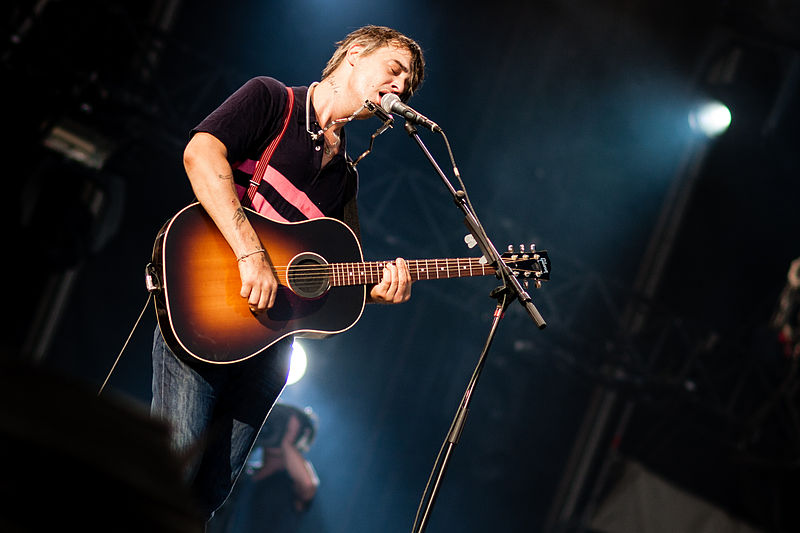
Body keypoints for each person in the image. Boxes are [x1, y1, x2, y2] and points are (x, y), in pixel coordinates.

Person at [150, 25, 426, 521]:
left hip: (268, 349)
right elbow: (201, 152)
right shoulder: (271, 100)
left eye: (409, 84)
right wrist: (250, 254)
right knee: (169, 478)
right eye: (395, 69)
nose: (401, 87)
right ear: (356, 54)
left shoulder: (345, 177)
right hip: (204, 310)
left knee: (205, 499)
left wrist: (381, 287)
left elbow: (341, 278)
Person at [208, 404, 320, 533]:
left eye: (287, 429)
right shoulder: (241, 472)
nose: (279, 430)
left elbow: (307, 485)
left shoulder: (288, 486)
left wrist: (286, 441)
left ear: (299, 442)